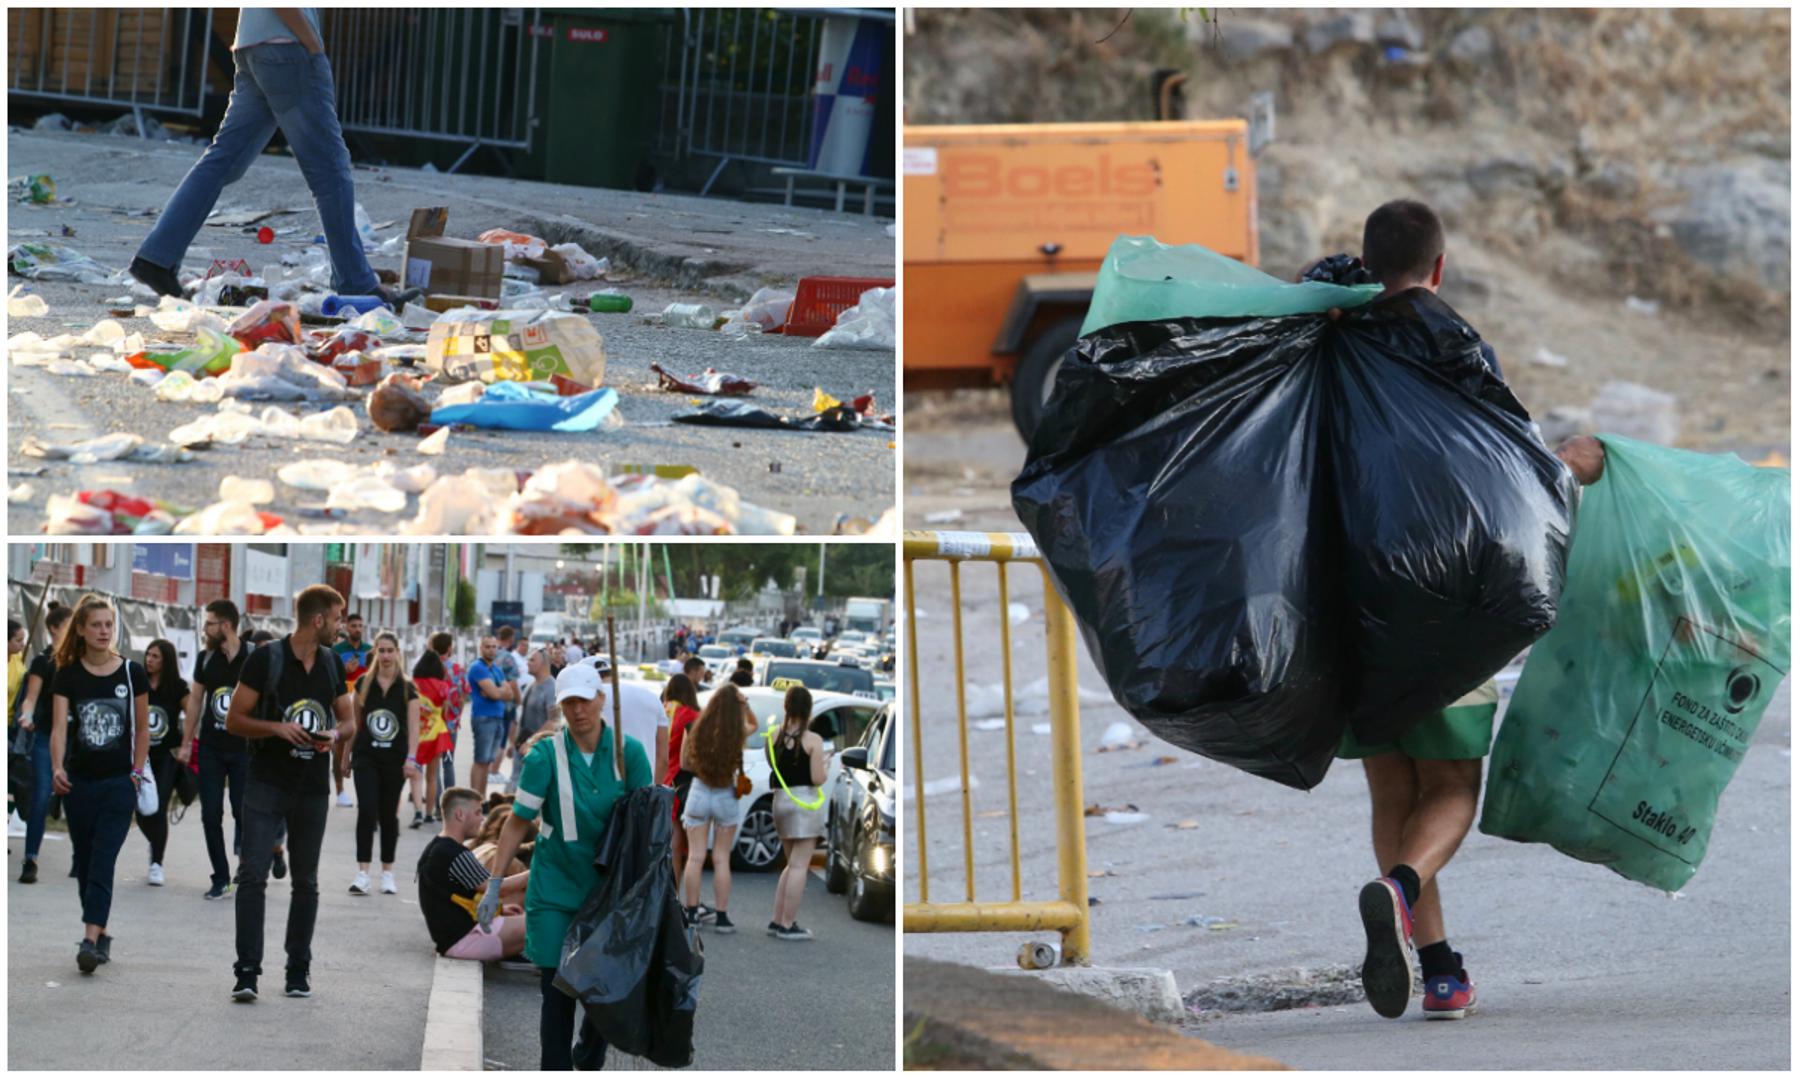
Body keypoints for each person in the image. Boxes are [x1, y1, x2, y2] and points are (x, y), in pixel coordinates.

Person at [1332, 200, 1608, 1022]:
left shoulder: (1331, 343)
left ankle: (1440, 968)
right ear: (1439, 268)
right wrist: (1580, 466)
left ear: (1368, 262)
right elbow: (1507, 471)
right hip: (1447, 600)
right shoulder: (1456, 345)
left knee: (1392, 789)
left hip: (1352, 597)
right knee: (1451, 785)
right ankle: (1401, 889)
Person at [129, 8, 415, 310]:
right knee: (330, 171)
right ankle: (356, 282)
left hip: (253, 45)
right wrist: (312, 43)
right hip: (288, 46)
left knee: (223, 160)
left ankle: (156, 259)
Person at [481, 662, 651, 1071]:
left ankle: (588, 1056)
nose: (577, 711)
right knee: (557, 990)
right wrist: (494, 883)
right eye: (568, 702)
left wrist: (657, 892)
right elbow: (517, 822)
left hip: (608, 892)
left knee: (600, 993)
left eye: (584, 700)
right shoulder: (544, 756)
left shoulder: (630, 754)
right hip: (555, 887)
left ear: (601, 700)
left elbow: (651, 827)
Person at [225, 584, 355, 1002]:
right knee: (251, 876)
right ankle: (247, 972)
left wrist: (333, 734)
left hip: (312, 788)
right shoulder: (267, 659)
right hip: (266, 781)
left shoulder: (333, 663)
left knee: (307, 882)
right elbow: (234, 720)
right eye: (338, 618)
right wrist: (277, 728)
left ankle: (298, 969)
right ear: (318, 620)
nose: (342, 626)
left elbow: (350, 721)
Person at [49, 594, 150, 974]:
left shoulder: (131, 673)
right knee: (86, 861)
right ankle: (101, 930)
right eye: (96, 625)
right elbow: (59, 729)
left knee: (103, 859)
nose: (104, 631)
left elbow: (142, 731)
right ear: (80, 629)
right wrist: (57, 767)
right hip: (79, 783)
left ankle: (89, 939)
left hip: (118, 783)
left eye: (109, 624)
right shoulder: (68, 674)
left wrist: (136, 773)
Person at [185, 599, 255, 901]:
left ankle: (250, 867)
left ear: (225, 625)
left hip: (244, 749)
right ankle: (221, 877)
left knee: (244, 811)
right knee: (210, 814)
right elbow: (196, 703)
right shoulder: (205, 659)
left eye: (209, 622)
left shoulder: (253, 658)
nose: (205, 628)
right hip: (212, 748)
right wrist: (187, 742)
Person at [345, 632, 421, 897]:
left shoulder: (407, 687)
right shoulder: (363, 684)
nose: (386, 656)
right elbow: (354, 725)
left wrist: (411, 759)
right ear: (375, 652)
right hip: (366, 756)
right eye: (382, 650)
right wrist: (345, 757)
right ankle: (362, 873)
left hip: (395, 759)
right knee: (366, 809)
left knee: (388, 814)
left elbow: (414, 728)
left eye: (390, 650)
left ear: (397, 652)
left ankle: (387, 872)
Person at [678, 684, 756, 934]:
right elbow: (754, 724)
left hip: (699, 791)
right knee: (721, 858)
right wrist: (746, 705)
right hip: (725, 793)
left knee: (695, 857)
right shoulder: (737, 732)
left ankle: (691, 913)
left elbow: (684, 764)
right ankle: (722, 917)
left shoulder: (697, 728)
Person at [418, 786, 529, 961]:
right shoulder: (452, 853)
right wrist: (535, 873)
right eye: (478, 813)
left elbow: (456, 899)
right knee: (545, 921)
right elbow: (497, 888)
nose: (482, 819)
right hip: (464, 941)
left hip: (455, 939)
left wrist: (501, 909)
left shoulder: (438, 847)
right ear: (460, 814)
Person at [14, 603, 71, 884]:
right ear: (53, 628)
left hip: (79, 740)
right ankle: (31, 858)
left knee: (78, 798)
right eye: (69, 626)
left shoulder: (83, 659)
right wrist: (26, 714)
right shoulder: (42, 661)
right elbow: (31, 697)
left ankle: (81, 857)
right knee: (40, 797)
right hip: (45, 738)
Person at [768, 685, 828, 941]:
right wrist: (825, 764)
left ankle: (776, 918)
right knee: (800, 865)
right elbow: (817, 778)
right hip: (804, 803)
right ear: (808, 709)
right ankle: (787, 923)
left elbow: (774, 767)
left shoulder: (772, 736)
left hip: (780, 801)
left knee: (790, 864)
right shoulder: (813, 740)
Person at [136, 639, 189, 888]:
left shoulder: (177, 687)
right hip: (141, 756)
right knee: (142, 810)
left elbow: (193, 714)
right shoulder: (138, 683)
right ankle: (154, 842)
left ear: (165, 660)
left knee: (158, 808)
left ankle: (156, 862)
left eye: (155, 656)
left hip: (166, 757)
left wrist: (186, 744)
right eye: (148, 654)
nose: (149, 659)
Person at [465, 636, 517, 799]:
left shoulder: (496, 669)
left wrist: (496, 692)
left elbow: (510, 694)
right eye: (487, 646)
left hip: (498, 718)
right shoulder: (477, 668)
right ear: (481, 648)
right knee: (480, 761)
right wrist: (497, 691)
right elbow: (495, 694)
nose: (492, 650)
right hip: (483, 718)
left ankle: (481, 798)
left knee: (487, 762)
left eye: (494, 647)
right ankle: (475, 799)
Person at [661, 674, 702, 882]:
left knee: (668, 846)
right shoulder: (691, 715)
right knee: (682, 848)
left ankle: (666, 895)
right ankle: (674, 897)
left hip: (661, 777)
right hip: (682, 778)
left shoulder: (661, 709)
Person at [329, 612, 372, 809]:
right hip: (342, 700)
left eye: (360, 625)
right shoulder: (336, 650)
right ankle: (340, 790)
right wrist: (344, 670)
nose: (357, 629)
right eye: (353, 625)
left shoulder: (370, 650)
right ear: (347, 628)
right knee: (340, 745)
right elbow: (330, 675)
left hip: (364, 701)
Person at [410, 650, 456, 828]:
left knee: (416, 774)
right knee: (432, 776)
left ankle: (418, 812)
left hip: (416, 731)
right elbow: (445, 711)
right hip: (436, 732)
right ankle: (429, 813)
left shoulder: (413, 684)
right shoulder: (443, 686)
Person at [507, 648, 560, 795]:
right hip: (523, 747)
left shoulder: (552, 688)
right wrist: (514, 743)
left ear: (544, 664)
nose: (527, 663)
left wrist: (531, 741)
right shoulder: (532, 685)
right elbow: (522, 716)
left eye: (532, 660)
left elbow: (554, 720)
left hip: (538, 750)